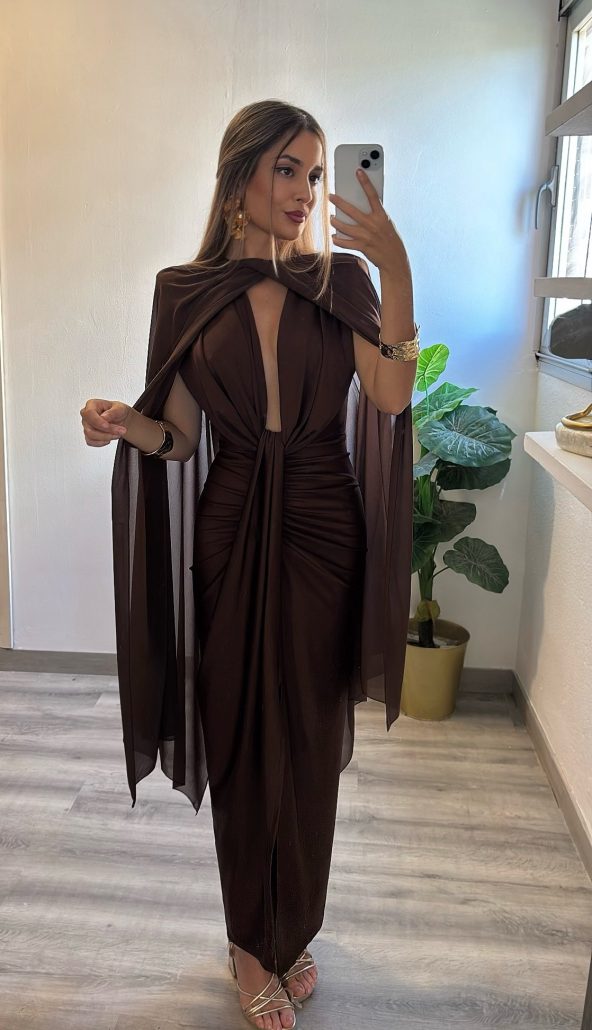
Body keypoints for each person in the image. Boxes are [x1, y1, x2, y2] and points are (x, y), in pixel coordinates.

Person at [80, 99, 419, 1030]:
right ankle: (245, 942)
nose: (306, 191)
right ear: (239, 178)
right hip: (230, 531)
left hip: (322, 526)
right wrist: (128, 424)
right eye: (287, 169)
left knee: (308, 740)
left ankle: (293, 927)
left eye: (316, 173)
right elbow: (182, 439)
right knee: (237, 734)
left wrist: (395, 268)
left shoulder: (344, 278)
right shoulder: (185, 291)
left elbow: (391, 394)